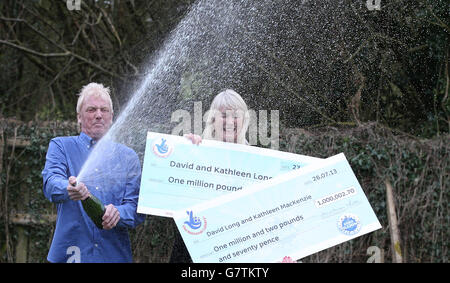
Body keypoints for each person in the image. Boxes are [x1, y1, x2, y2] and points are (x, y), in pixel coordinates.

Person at [42, 82, 145, 263]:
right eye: (91, 110)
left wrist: (118, 213)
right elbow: (50, 183)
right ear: (79, 117)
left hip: (114, 256)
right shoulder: (60, 146)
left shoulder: (128, 157)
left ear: (112, 117)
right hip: (69, 256)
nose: (98, 115)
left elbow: (137, 209)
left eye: (104, 110)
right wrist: (68, 188)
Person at [170, 89, 250, 263]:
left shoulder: (259, 164)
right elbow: (176, 206)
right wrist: (184, 154)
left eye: (236, 115)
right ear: (213, 119)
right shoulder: (197, 154)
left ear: (244, 119)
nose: (230, 121)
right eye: (223, 115)